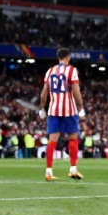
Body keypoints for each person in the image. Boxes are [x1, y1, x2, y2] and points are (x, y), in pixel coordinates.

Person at [38, 48, 86, 181]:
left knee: (52, 139)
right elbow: (76, 91)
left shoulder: (50, 71)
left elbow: (44, 93)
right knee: (73, 136)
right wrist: (81, 106)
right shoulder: (71, 70)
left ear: (58, 57)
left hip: (53, 110)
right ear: (68, 57)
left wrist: (42, 108)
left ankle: (48, 172)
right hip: (69, 110)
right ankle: (73, 169)